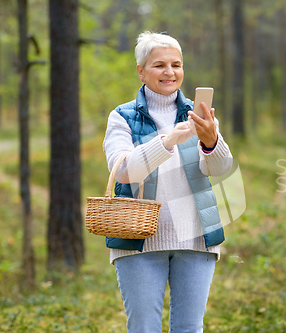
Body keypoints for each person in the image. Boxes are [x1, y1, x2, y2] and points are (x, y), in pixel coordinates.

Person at [103, 31, 233, 333]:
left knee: (189, 327)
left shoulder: (199, 115)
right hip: (138, 241)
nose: (170, 72)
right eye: (159, 65)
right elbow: (124, 172)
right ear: (141, 70)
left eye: (176, 64)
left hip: (196, 238)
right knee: (144, 327)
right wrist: (169, 139)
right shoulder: (121, 117)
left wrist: (211, 140)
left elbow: (221, 168)